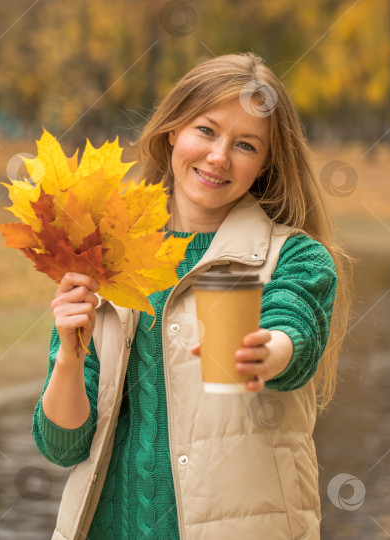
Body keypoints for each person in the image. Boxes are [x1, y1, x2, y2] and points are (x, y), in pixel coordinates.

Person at [32, 52, 353, 540]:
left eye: (245, 144)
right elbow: (63, 447)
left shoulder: (295, 257)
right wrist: (69, 358)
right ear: (172, 132)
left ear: (265, 163)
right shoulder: (105, 254)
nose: (219, 156)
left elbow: (297, 328)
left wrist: (268, 351)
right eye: (206, 130)